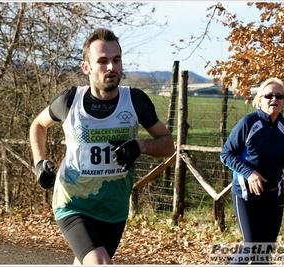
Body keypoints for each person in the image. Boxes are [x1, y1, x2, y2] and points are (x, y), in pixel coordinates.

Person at [29, 28, 175, 265]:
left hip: (114, 209)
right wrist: (38, 162)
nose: (111, 67)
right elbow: (38, 125)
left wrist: (140, 146)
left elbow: (168, 144)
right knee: (100, 262)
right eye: (103, 61)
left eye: (116, 60)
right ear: (86, 67)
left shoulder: (135, 101)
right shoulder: (69, 101)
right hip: (73, 202)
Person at [220, 77, 284, 264]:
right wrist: (249, 173)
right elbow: (226, 154)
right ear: (259, 100)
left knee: (265, 252)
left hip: (273, 194)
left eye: (279, 96)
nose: (274, 99)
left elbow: (282, 163)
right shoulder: (248, 123)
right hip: (247, 195)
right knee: (252, 247)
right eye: (268, 95)